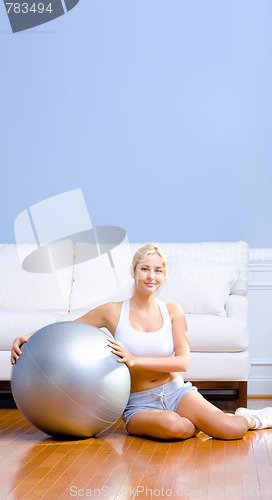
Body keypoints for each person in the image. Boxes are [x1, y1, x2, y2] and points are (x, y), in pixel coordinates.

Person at [11, 243, 272, 440]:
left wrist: (134, 360)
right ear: (134, 272)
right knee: (177, 427)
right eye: (145, 269)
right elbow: (68, 327)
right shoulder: (113, 311)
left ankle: (250, 418)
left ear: (164, 276)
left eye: (157, 271)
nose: (151, 276)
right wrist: (29, 336)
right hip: (138, 403)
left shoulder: (173, 311)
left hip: (175, 391)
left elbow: (182, 362)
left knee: (230, 431)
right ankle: (201, 420)